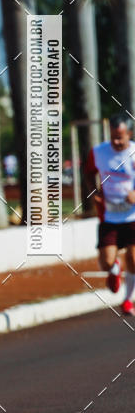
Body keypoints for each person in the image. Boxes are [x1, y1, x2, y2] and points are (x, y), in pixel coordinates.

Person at [84, 112, 135, 315]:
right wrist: (93, 192)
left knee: (133, 258)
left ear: (129, 134)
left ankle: (128, 300)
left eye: (120, 136)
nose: (115, 141)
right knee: (105, 261)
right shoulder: (99, 152)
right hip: (109, 214)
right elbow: (88, 172)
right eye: (113, 136)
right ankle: (114, 269)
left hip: (132, 215)